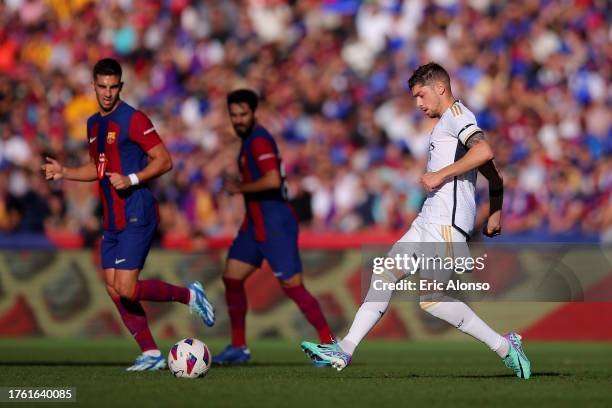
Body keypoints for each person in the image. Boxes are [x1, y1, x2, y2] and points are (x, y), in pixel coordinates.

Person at [300, 63, 531, 379]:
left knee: (433, 301)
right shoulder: (446, 124)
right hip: (429, 218)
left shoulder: (458, 116)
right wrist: (495, 210)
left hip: (445, 224)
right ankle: (345, 348)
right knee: (386, 275)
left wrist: (440, 174)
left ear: (440, 88)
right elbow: (493, 174)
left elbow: (485, 151)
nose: (419, 104)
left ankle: (505, 347)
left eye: (421, 95)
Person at [41, 58, 215, 371]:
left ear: (120, 86)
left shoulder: (133, 119)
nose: (107, 93)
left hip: (137, 210)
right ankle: (150, 353)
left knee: (127, 287)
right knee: (113, 286)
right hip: (112, 217)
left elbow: (164, 160)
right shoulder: (93, 124)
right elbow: (99, 169)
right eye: (102, 86)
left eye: (113, 86)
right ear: (93, 86)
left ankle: (189, 295)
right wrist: (64, 171)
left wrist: (131, 179)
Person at [214, 89, 334, 364]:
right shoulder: (247, 142)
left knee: (293, 287)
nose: (239, 119)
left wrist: (240, 186)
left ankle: (330, 344)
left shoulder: (259, 141)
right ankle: (238, 347)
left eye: (244, 114)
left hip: (275, 223)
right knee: (232, 277)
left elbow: (271, 181)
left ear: (254, 113)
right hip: (254, 223)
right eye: (234, 115)